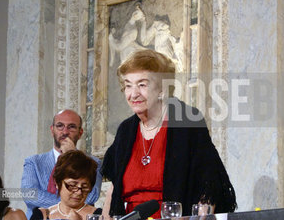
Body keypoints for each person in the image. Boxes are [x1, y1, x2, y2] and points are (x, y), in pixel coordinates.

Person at [101, 49, 237, 218]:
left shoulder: (187, 122)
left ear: (162, 89)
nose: (133, 94)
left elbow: (208, 184)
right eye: (128, 85)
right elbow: (114, 189)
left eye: (142, 84)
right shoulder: (126, 130)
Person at [21, 109, 102, 219]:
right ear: (52, 130)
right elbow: (29, 195)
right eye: (60, 126)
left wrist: (72, 155)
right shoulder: (34, 162)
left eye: (71, 127)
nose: (65, 132)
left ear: (80, 132)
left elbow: (92, 196)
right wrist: (64, 205)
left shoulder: (93, 163)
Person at [30, 150, 102, 220]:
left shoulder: (99, 216)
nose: (79, 192)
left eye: (85, 187)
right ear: (57, 183)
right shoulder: (42, 215)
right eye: (72, 185)